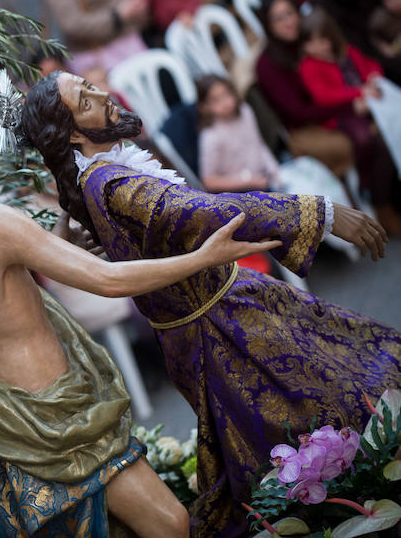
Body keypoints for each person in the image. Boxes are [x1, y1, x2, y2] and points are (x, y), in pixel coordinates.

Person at [0, 72, 278, 536]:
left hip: (8, 420)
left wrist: (59, 243)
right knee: (170, 525)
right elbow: (108, 281)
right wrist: (200, 258)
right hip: (61, 419)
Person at [20, 70, 401, 537]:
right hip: (221, 331)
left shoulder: (105, 171)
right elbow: (201, 212)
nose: (103, 95)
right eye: (85, 101)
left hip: (226, 305)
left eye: (91, 87)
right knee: (333, 407)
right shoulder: (112, 184)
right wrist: (316, 213)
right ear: (75, 134)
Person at [298, 7, 401, 232]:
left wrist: (373, 79)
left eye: (322, 40)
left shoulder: (348, 52)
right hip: (343, 113)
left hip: (369, 104)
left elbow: (369, 66)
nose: (318, 47)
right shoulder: (309, 66)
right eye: (310, 43)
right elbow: (323, 96)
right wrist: (359, 93)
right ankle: (368, 185)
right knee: (365, 139)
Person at [255, 0, 355, 178]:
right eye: (278, 19)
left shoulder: (310, 39)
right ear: (268, 26)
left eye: (290, 13)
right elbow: (298, 112)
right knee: (358, 141)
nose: (288, 22)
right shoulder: (267, 65)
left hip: (336, 106)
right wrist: (348, 104)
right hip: (307, 128)